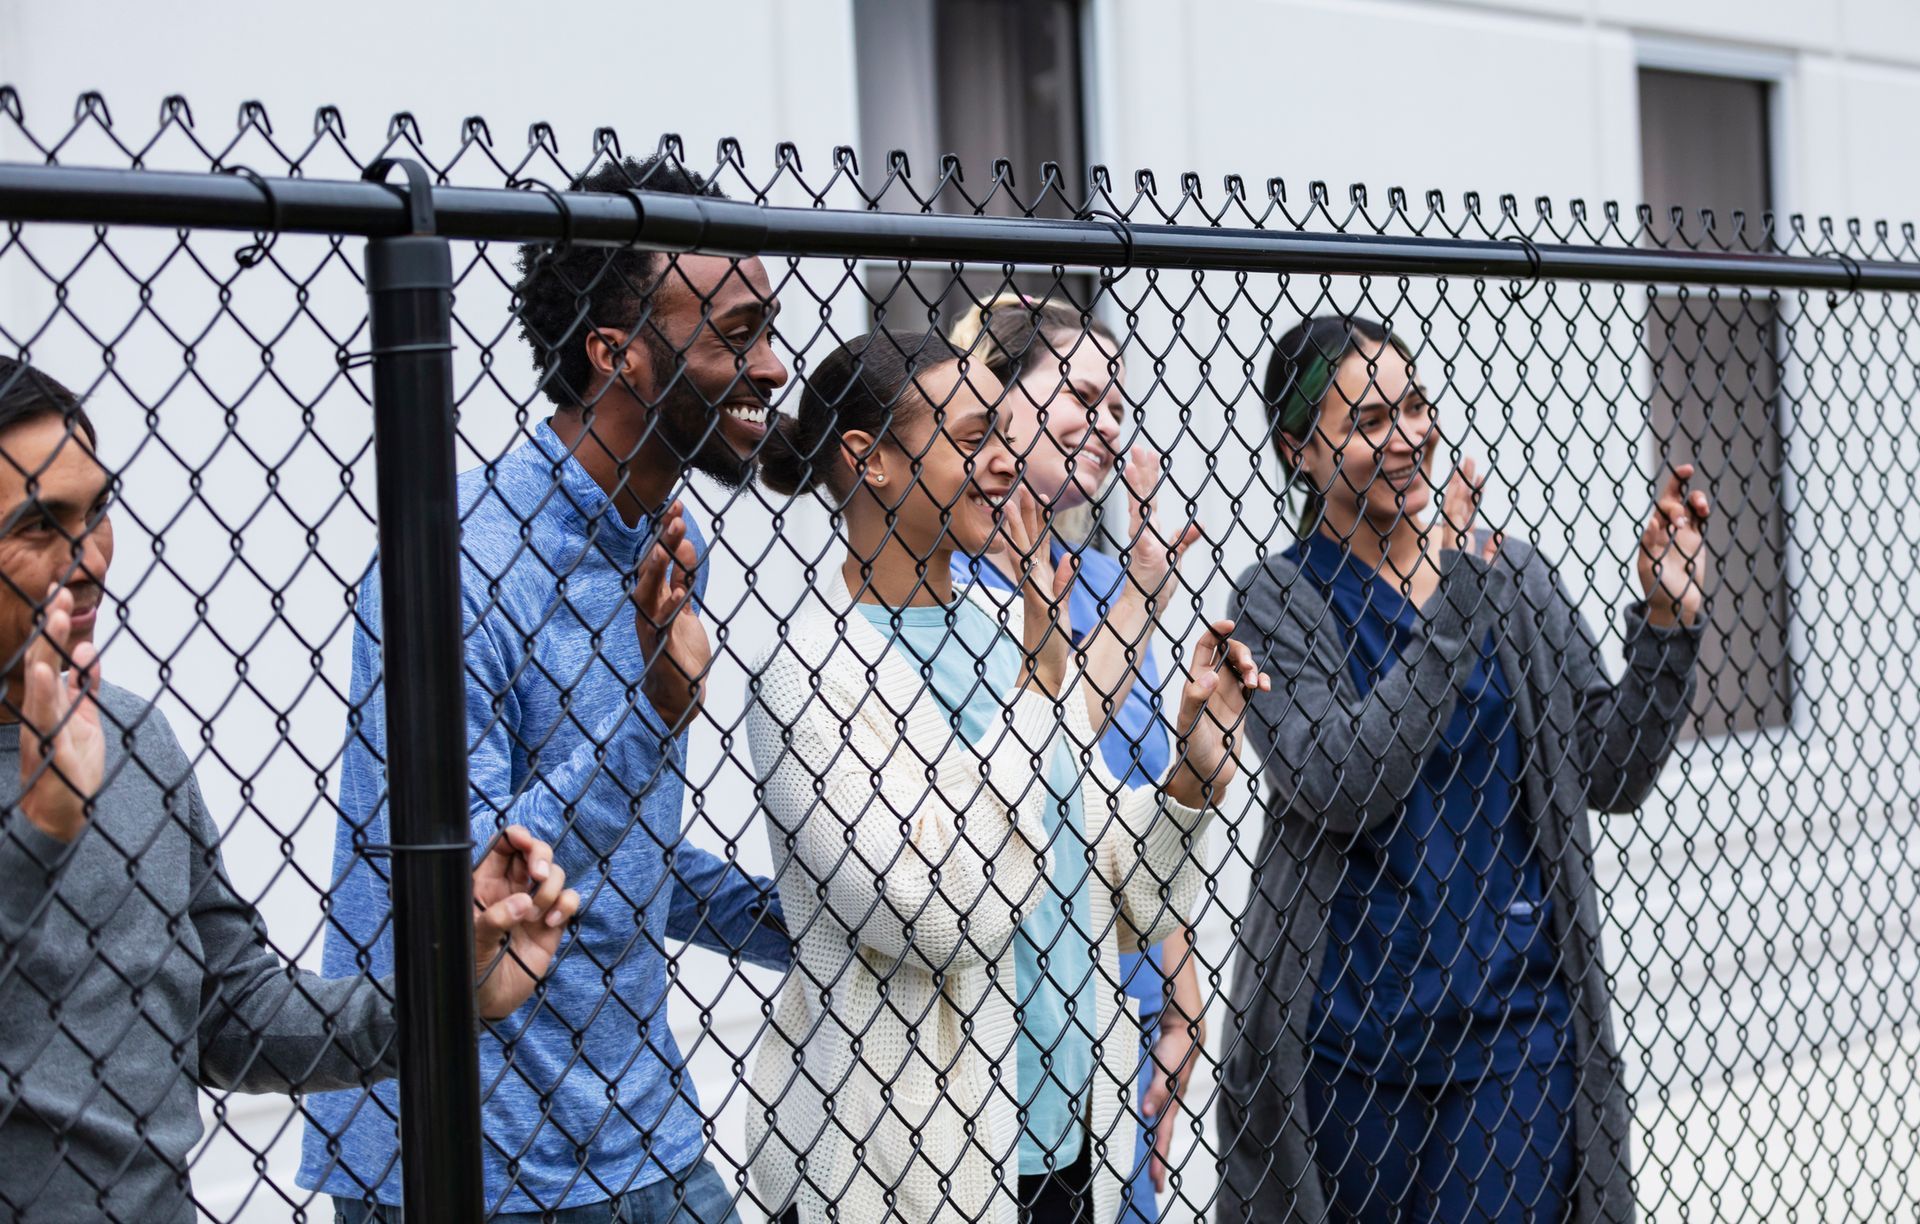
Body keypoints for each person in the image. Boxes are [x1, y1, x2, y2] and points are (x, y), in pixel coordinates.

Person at [301, 157, 792, 1223]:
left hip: (640, 1131)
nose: (774, 365)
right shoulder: (459, 562)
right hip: (472, 1156)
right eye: (740, 334)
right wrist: (651, 714)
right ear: (616, 354)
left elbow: (630, 857)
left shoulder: (658, 538)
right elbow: (474, 882)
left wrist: (822, 923)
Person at [0, 356, 579, 1223]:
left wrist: (448, 991)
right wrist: (37, 840)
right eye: (41, 525)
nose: (90, 558)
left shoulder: (133, 738)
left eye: (99, 511)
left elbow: (231, 1015)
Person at [746, 329, 1268, 1224]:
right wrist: (1036, 678)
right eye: (972, 437)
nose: (1003, 462)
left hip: (1071, 1147)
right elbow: (936, 914)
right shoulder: (807, 672)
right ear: (870, 461)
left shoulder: (1007, 627)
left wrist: (1191, 775)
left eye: (1002, 434)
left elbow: (1119, 888)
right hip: (916, 1169)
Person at [1216, 316, 1710, 1223]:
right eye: (1367, 421)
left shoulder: (1508, 578)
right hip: (1353, 1043)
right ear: (1300, 452)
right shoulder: (1276, 601)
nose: (1406, 438)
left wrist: (1667, 628)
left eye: (1413, 406)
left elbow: (1610, 770)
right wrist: (1449, 617)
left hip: (1512, 1028)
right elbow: (1341, 779)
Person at [947, 294, 1208, 1223]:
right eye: (1081, 396)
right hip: (1000, 1023)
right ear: (995, 404)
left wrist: (1179, 1001)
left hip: (1118, 1006)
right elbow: (1035, 759)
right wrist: (1139, 599)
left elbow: (1138, 799)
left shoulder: (1103, 571)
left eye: (1117, 407)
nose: (1105, 423)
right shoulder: (949, 586)